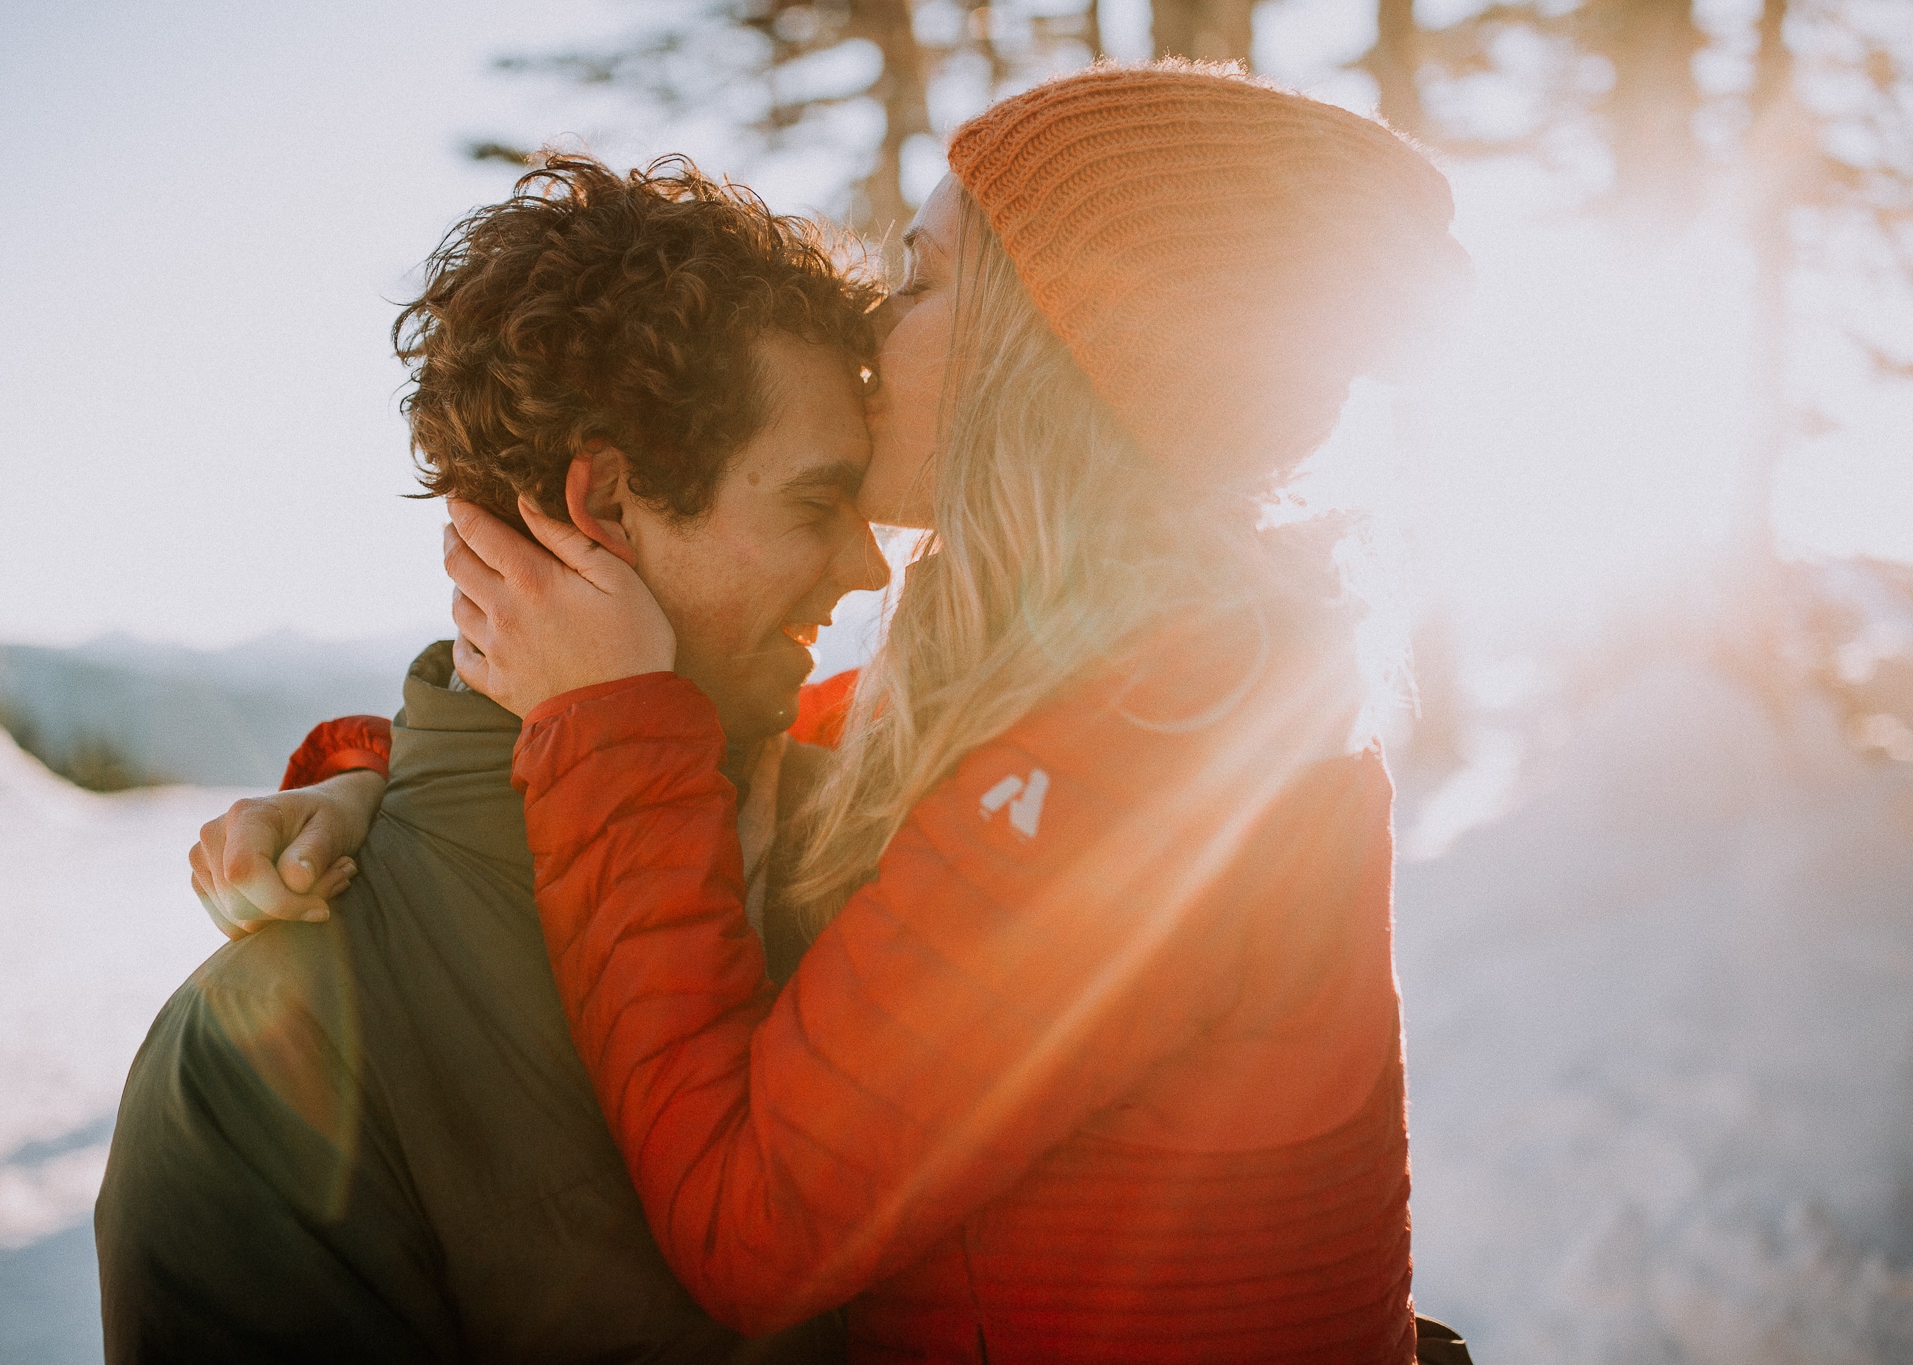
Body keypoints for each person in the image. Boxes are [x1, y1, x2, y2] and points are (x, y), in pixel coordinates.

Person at [434, 64, 1469, 1363]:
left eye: (920, 279)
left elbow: (751, 1227)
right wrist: (374, 777)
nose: (875, 322)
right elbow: (772, 750)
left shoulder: (1155, 753)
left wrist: (605, 716)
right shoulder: (1087, 685)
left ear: (1042, 350)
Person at [96, 154, 887, 1364]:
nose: (868, 567)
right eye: (815, 504)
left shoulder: (895, 843)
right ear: (606, 505)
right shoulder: (274, 1050)